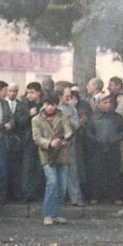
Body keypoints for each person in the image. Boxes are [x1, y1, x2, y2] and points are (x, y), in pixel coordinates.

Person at [31, 92, 73, 226]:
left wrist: (67, 137)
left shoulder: (62, 116)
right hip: (47, 155)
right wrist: (49, 143)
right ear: (44, 104)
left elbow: (68, 130)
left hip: (62, 154)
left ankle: (57, 214)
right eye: (48, 104)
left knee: (62, 185)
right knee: (52, 183)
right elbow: (36, 138)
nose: (50, 108)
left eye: (53, 105)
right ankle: (48, 214)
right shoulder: (36, 119)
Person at [86, 93, 123, 205]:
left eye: (110, 102)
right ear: (99, 104)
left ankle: (115, 196)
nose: (108, 105)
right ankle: (95, 196)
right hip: (98, 149)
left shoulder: (117, 117)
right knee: (97, 173)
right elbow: (88, 132)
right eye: (105, 102)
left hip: (113, 148)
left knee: (114, 173)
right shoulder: (93, 117)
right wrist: (96, 140)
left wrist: (116, 139)